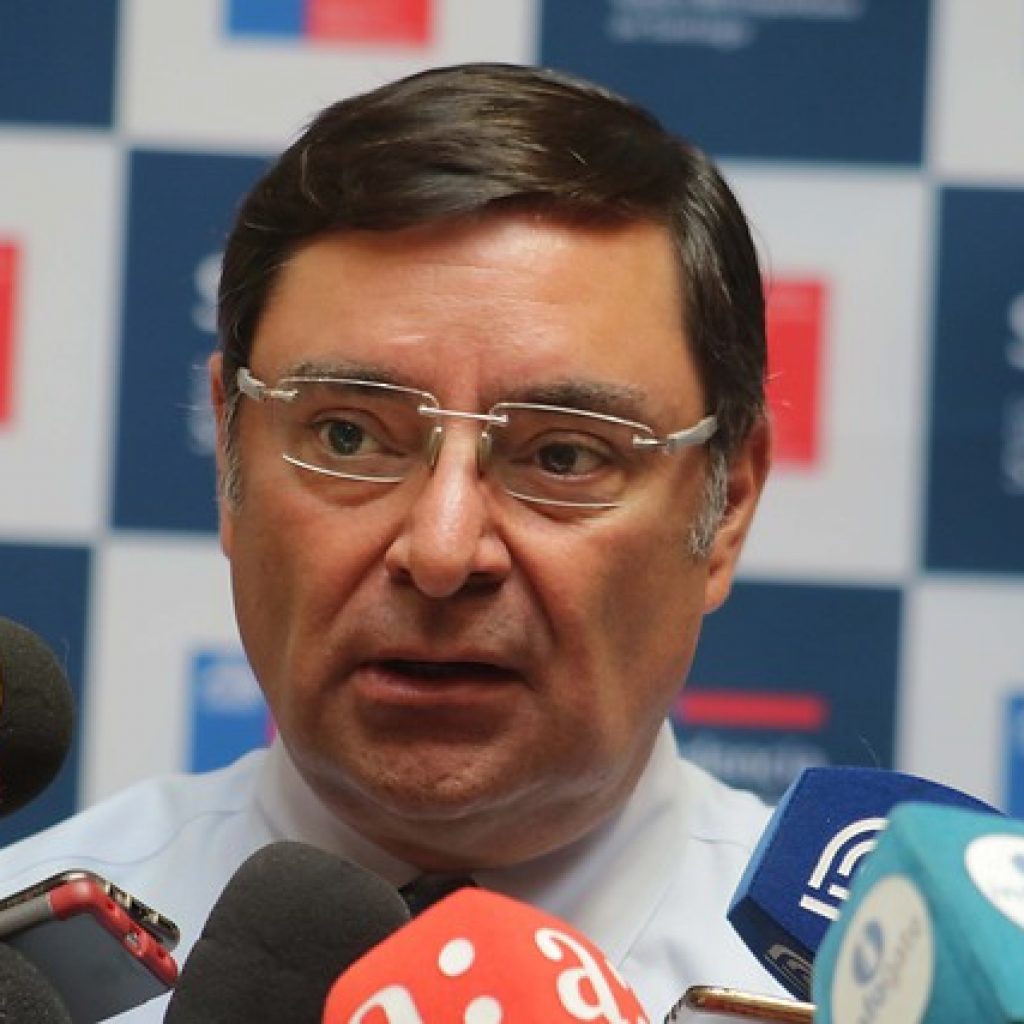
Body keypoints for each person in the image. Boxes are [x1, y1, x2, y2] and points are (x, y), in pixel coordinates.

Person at [0, 63, 777, 1019]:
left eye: (564, 455)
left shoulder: (891, 987)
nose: (443, 553)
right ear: (230, 457)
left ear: (728, 506)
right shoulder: (26, 980)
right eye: (348, 437)